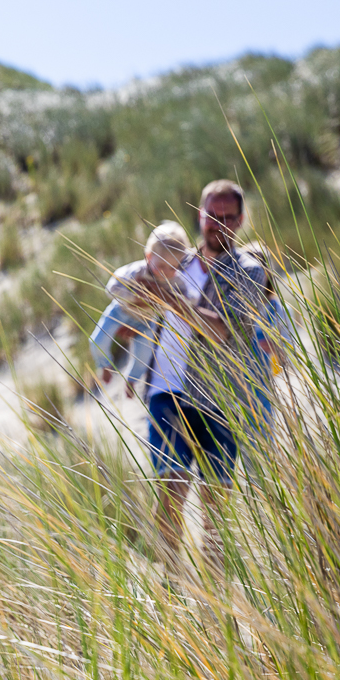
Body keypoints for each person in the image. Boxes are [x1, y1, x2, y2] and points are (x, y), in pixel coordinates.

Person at [144, 180, 291, 580]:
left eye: (229, 217)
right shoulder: (177, 261)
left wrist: (174, 299)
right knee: (171, 494)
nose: (220, 225)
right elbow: (136, 298)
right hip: (173, 397)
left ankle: (216, 605)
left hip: (221, 402)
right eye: (213, 216)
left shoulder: (250, 271)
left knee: (215, 512)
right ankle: (170, 589)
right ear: (200, 215)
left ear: (241, 220)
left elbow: (222, 330)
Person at [88, 221, 200, 397]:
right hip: (120, 312)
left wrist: (177, 300)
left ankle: (132, 380)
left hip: (147, 321)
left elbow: (190, 298)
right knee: (96, 341)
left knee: (143, 357)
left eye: (172, 267)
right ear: (148, 257)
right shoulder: (137, 271)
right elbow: (111, 287)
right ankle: (104, 364)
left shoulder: (176, 281)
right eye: (160, 266)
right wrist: (136, 297)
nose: (164, 273)